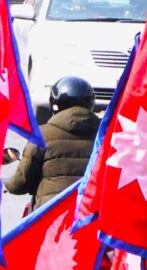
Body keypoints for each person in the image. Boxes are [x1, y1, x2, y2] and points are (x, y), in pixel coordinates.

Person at [9, 78, 100, 207]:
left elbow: (20, 184)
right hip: (90, 215)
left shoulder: (41, 136)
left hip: (50, 217)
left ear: (55, 104)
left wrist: (7, 184)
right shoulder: (108, 136)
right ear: (91, 103)